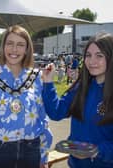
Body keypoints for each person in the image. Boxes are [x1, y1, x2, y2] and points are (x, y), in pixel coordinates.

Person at [0, 25, 52, 168]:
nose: (14, 49)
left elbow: (43, 118)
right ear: (3, 47)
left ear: (27, 49)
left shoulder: (38, 77)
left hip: (32, 150)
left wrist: (44, 154)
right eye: (10, 43)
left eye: (20, 44)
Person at [42, 32, 113, 168]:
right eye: (88, 55)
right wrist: (48, 82)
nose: (92, 61)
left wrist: (96, 151)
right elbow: (56, 112)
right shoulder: (81, 88)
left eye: (99, 56)